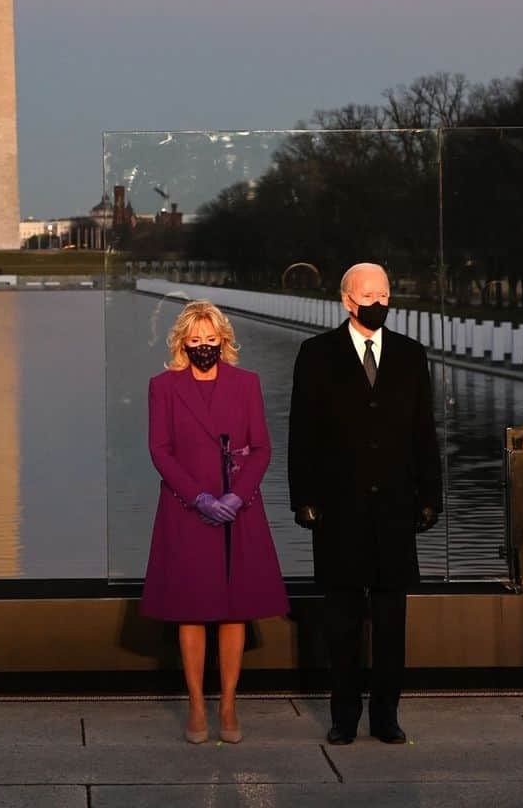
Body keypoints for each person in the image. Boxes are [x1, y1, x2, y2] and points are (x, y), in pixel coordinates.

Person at [288, 262, 442, 746]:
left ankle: (386, 715)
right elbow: (302, 434)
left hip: (396, 510)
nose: (378, 302)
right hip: (339, 511)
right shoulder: (315, 355)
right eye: (368, 294)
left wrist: (429, 496)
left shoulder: (412, 355)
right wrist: (304, 498)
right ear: (347, 300)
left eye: (385, 293)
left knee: (392, 623)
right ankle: (344, 715)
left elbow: (424, 431)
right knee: (343, 622)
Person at [141, 300, 288, 744]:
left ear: (223, 341)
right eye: (196, 340)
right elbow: (159, 450)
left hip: (237, 510)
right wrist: (200, 497)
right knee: (191, 609)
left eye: (211, 340)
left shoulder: (247, 384)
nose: (204, 346)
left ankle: (228, 703)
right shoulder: (163, 386)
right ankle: (196, 705)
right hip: (187, 510)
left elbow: (261, 448)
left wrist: (236, 497)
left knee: (232, 610)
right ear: (182, 342)